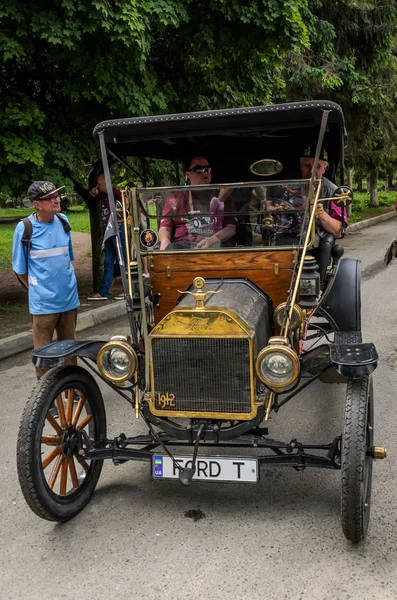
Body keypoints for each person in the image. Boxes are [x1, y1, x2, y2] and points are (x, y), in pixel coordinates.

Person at [12, 181, 80, 378]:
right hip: (43, 304)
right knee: (44, 354)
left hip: (69, 299)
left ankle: (73, 388)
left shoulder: (63, 220)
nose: (56, 199)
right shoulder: (24, 228)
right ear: (37, 204)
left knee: (70, 348)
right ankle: (46, 398)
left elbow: (67, 259)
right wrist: (38, 289)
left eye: (56, 195)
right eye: (49, 198)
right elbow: (20, 270)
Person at [158, 156, 236, 250]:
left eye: (208, 169)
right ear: (188, 174)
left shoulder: (222, 197)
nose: (205, 172)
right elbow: (164, 228)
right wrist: (165, 242)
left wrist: (212, 240)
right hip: (184, 247)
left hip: (215, 246)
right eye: (198, 170)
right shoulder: (175, 199)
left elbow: (231, 228)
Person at [87, 173, 127, 300]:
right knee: (108, 261)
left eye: (100, 183)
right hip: (109, 231)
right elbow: (93, 193)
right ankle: (103, 291)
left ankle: (128, 289)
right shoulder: (103, 194)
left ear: (106, 182)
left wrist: (120, 217)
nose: (98, 186)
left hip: (117, 228)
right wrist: (93, 190)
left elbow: (126, 202)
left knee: (122, 259)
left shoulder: (115, 193)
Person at [300, 144, 347, 241]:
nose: (311, 171)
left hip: (316, 244)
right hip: (287, 239)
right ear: (301, 165)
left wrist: (321, 213)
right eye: (307, 165)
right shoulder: (288, 187)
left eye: (317, 166)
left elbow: (339, 231)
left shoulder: (334, 192)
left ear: (324, 169)